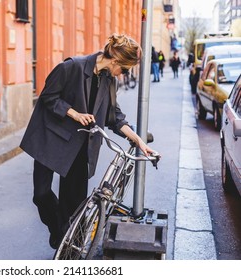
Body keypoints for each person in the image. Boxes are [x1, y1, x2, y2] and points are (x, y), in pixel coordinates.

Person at [20, 34, 157, 249]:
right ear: (116, 61)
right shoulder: (71, 67)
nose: (123, 75)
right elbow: (48, 97)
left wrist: (139, 141)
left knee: (72, 205)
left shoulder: (109, 80)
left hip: (81, 147)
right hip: (51, 141)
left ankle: (68, 245)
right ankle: (60, 232)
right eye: (125, 69)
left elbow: (115, 117)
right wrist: (74, 113)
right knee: (41, 194)